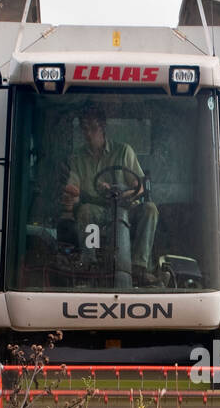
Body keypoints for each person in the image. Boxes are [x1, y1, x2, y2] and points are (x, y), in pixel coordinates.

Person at [60, 104, 158, 283]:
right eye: (85, 129)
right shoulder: (77, 158)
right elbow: (73, 187)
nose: (88, 134)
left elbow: (140, 186)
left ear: (103, 127)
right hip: (98, 210)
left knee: (150, 209)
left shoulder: (123, 151)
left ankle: (138, 266)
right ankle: (89, 263)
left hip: (126, 208)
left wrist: (122, 192)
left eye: (93, 128)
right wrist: (71, 196)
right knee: (85, 211)